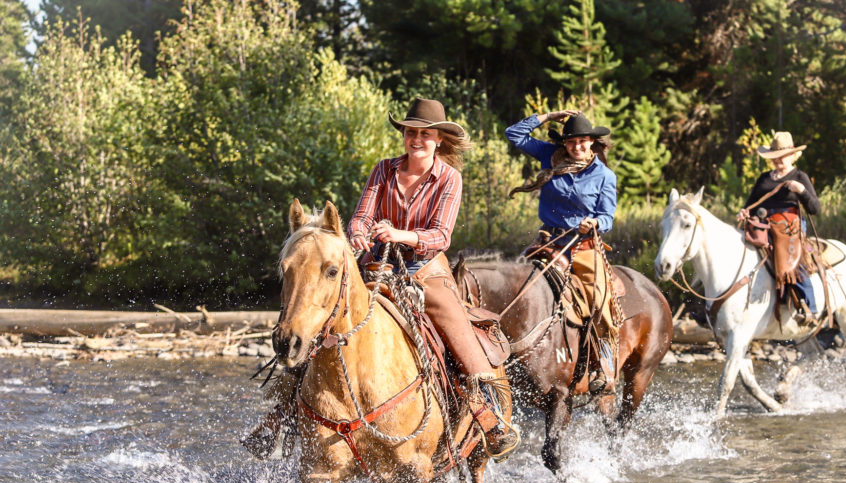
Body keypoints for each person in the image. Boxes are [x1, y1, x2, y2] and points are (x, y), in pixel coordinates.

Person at [243, 98, 518, 461]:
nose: (415, 139)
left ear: (438, 140)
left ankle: (488, 416)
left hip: (426, 271)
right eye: (410, 132)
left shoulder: (450, 178)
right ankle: (282, 416)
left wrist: (401, 236)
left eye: (424, 134)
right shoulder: (383, 170)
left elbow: (440, 236)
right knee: (325, 325)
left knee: (456, 330)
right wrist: (357, 235)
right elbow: (359, 216)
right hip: (375, 266)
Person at [505, 109, 620, 393]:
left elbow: (608, 217)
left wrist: (595, 222)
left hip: (583, 245)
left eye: (582, 141)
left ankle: (603, 362)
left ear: (592, 141)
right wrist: (546, 116)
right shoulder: (550, 156)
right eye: (570, 142)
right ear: (564, 143)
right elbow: (514, 134)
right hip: (548, 242)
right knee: (514, 289)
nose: (576, 147)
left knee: (599, 298)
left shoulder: (604, 176)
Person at [736, 131, 821, 321]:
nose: (777, 161)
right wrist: (744, 212)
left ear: (792, 155)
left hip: (790, 225)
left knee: (791, 258)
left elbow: (815, 208)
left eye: (781, 157)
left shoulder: (800, 176)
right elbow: (751, 203)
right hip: (763, 225)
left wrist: (802, 191)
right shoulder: (764, 178)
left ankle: (809, 307)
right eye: (775, 157)